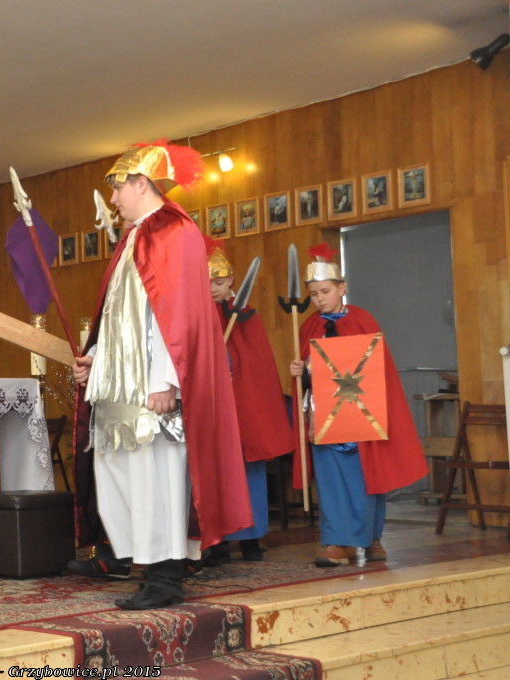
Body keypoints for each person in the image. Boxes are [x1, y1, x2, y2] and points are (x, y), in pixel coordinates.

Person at [70, 142, 251, 610]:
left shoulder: (174, 231)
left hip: (153, 385)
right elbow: (123, 316)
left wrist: (167, 379)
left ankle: (166, 576)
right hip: (121, 384)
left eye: (117, 188)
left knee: (156, 479)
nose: (113, 199)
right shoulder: (134, 237)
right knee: (121, 476)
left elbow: (180, 311)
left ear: (140, 183)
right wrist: (98, 360)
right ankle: (140, 564)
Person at [288, 244, 426, 567]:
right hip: (325, 417)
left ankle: (372, 538)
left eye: (325, 291)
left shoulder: (363, 320)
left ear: (342, 288)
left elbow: (376, 369)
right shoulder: (308, 326)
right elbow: (309, 375)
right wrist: (300, 371)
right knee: (332, 482)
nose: (319, 299)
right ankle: (337, 542)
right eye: (313, 294)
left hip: (361, 414)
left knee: (366, 478)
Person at [204, 240, 293, 564]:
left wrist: (234, 371)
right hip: (213, 408)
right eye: (207, 282)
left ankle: (252, 539)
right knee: (214, 473)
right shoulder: (198, 315)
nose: (213, 288)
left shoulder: (244, 315)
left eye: (218, 281)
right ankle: (218, 542)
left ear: (231, 280)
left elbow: (256, 365)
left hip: (243, 406)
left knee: (248, 469)